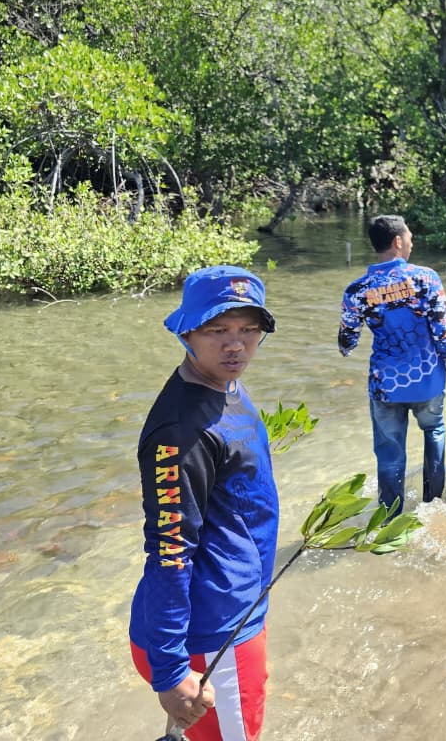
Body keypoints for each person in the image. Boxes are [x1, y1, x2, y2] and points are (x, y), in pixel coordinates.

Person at [129, 265, 279, 741]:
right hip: (208, 637)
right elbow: (170, 552)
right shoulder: (182, 431)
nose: (235, 344)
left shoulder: (225, 384)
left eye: (248, 330)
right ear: (187, 333)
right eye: (217, 330)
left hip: (229, 617)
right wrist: (172, 672)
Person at [339, 215, 446, 514]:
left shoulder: (356, 290)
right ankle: (433, 506)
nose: (412, 244)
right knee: (434, 431)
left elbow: (346, 344)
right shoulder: (426, 278)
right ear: (398, 242)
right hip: (427, 381)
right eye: (409, 238)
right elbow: (442, 330)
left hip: (385, 385)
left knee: (389, 454)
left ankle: (389, 518)